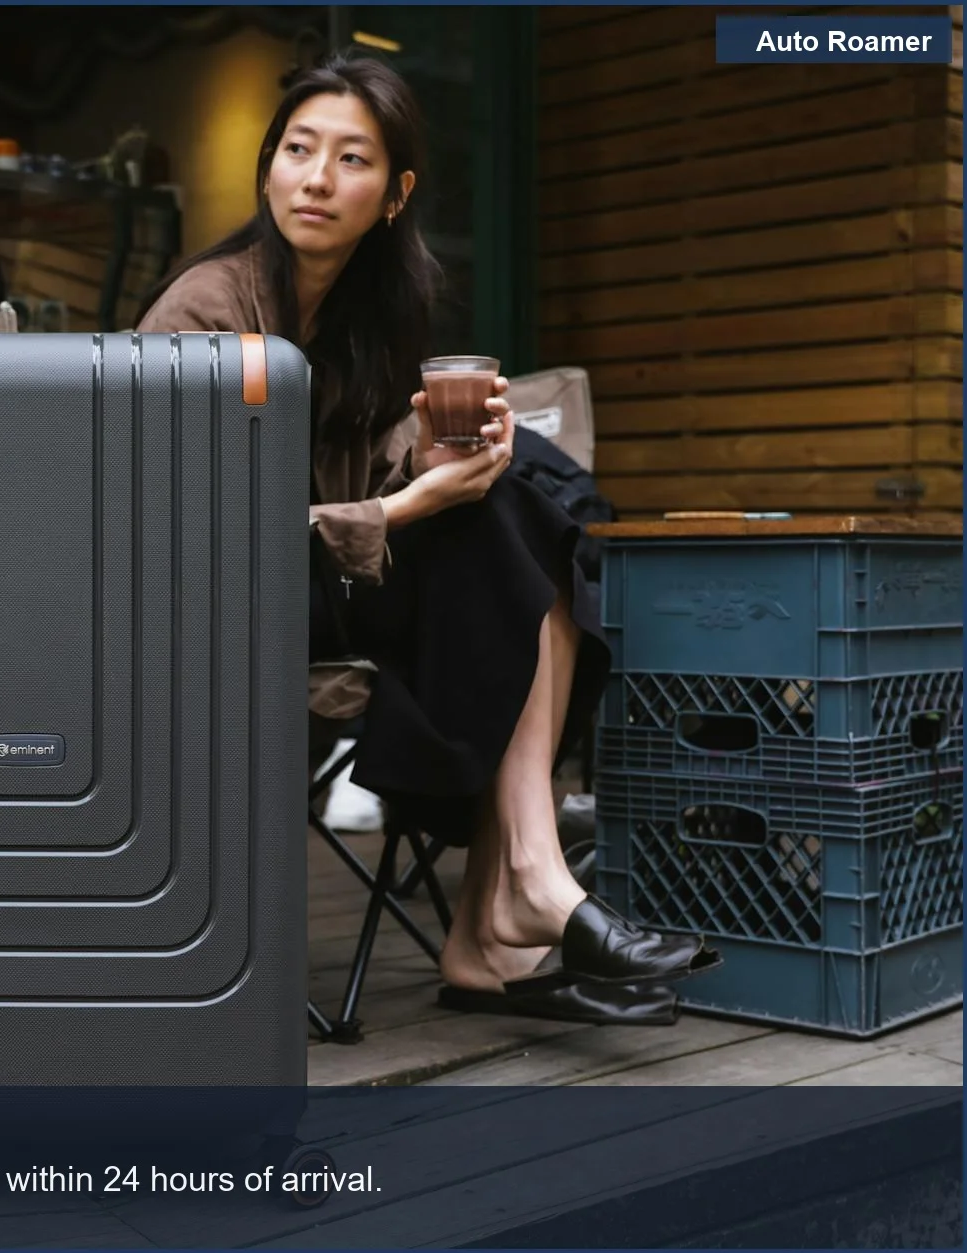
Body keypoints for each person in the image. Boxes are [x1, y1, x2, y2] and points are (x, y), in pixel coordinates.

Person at [137, 53, 718, 1025]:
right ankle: (508, 906)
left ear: (395, 192)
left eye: (350, 158)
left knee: (518, 512)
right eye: (295, 150)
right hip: (209, 613)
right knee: (498, 526)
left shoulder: (373, 318)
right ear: (266, 167)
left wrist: (454, 460)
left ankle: (511, 897)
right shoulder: (204, 312)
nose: (315, 178)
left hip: (330, 593)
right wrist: (412, 505)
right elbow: (189, 540)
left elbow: (383, 479)